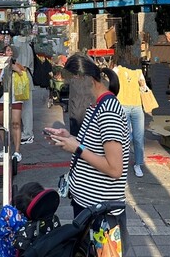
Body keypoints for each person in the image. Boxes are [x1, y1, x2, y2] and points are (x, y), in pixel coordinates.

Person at [43, 53, 130, 247]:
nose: (71, 88)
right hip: (87, 206)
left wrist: (78, 148)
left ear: (87, 79)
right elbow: (93, 146)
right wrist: (68, 137)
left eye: (73, 82)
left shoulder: (108, 111)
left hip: (100, 212)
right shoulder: (95, 106)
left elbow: (115, 168)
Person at [112, 56, 147, 178]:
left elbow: (144, 88)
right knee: (125, 138)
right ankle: (121, 163)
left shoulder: (138, 71)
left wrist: (143, 85)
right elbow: (111, 83)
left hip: (137, 107)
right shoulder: (118, 70)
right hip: (123, 106)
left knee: (139, 138)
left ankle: (138, 164)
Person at [0, 44, 26, 162]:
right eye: (7, 50)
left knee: (16, 123)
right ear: (4, 53)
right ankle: (5, 147)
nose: (10, 52)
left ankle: (17, 151)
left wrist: (18, 70)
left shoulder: (18, 66)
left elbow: (25, 80)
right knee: (2, 123)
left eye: (12, 51)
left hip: (15, 97)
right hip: (1, 98)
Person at [13, 32, 35, 144]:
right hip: (19, 80)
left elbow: (24, 67)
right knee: (21, 107)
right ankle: (24, 131)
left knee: (26, 108)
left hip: (24, 81)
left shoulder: (24, 47)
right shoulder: (22, 46)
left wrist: (13, 66)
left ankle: (28, 133)